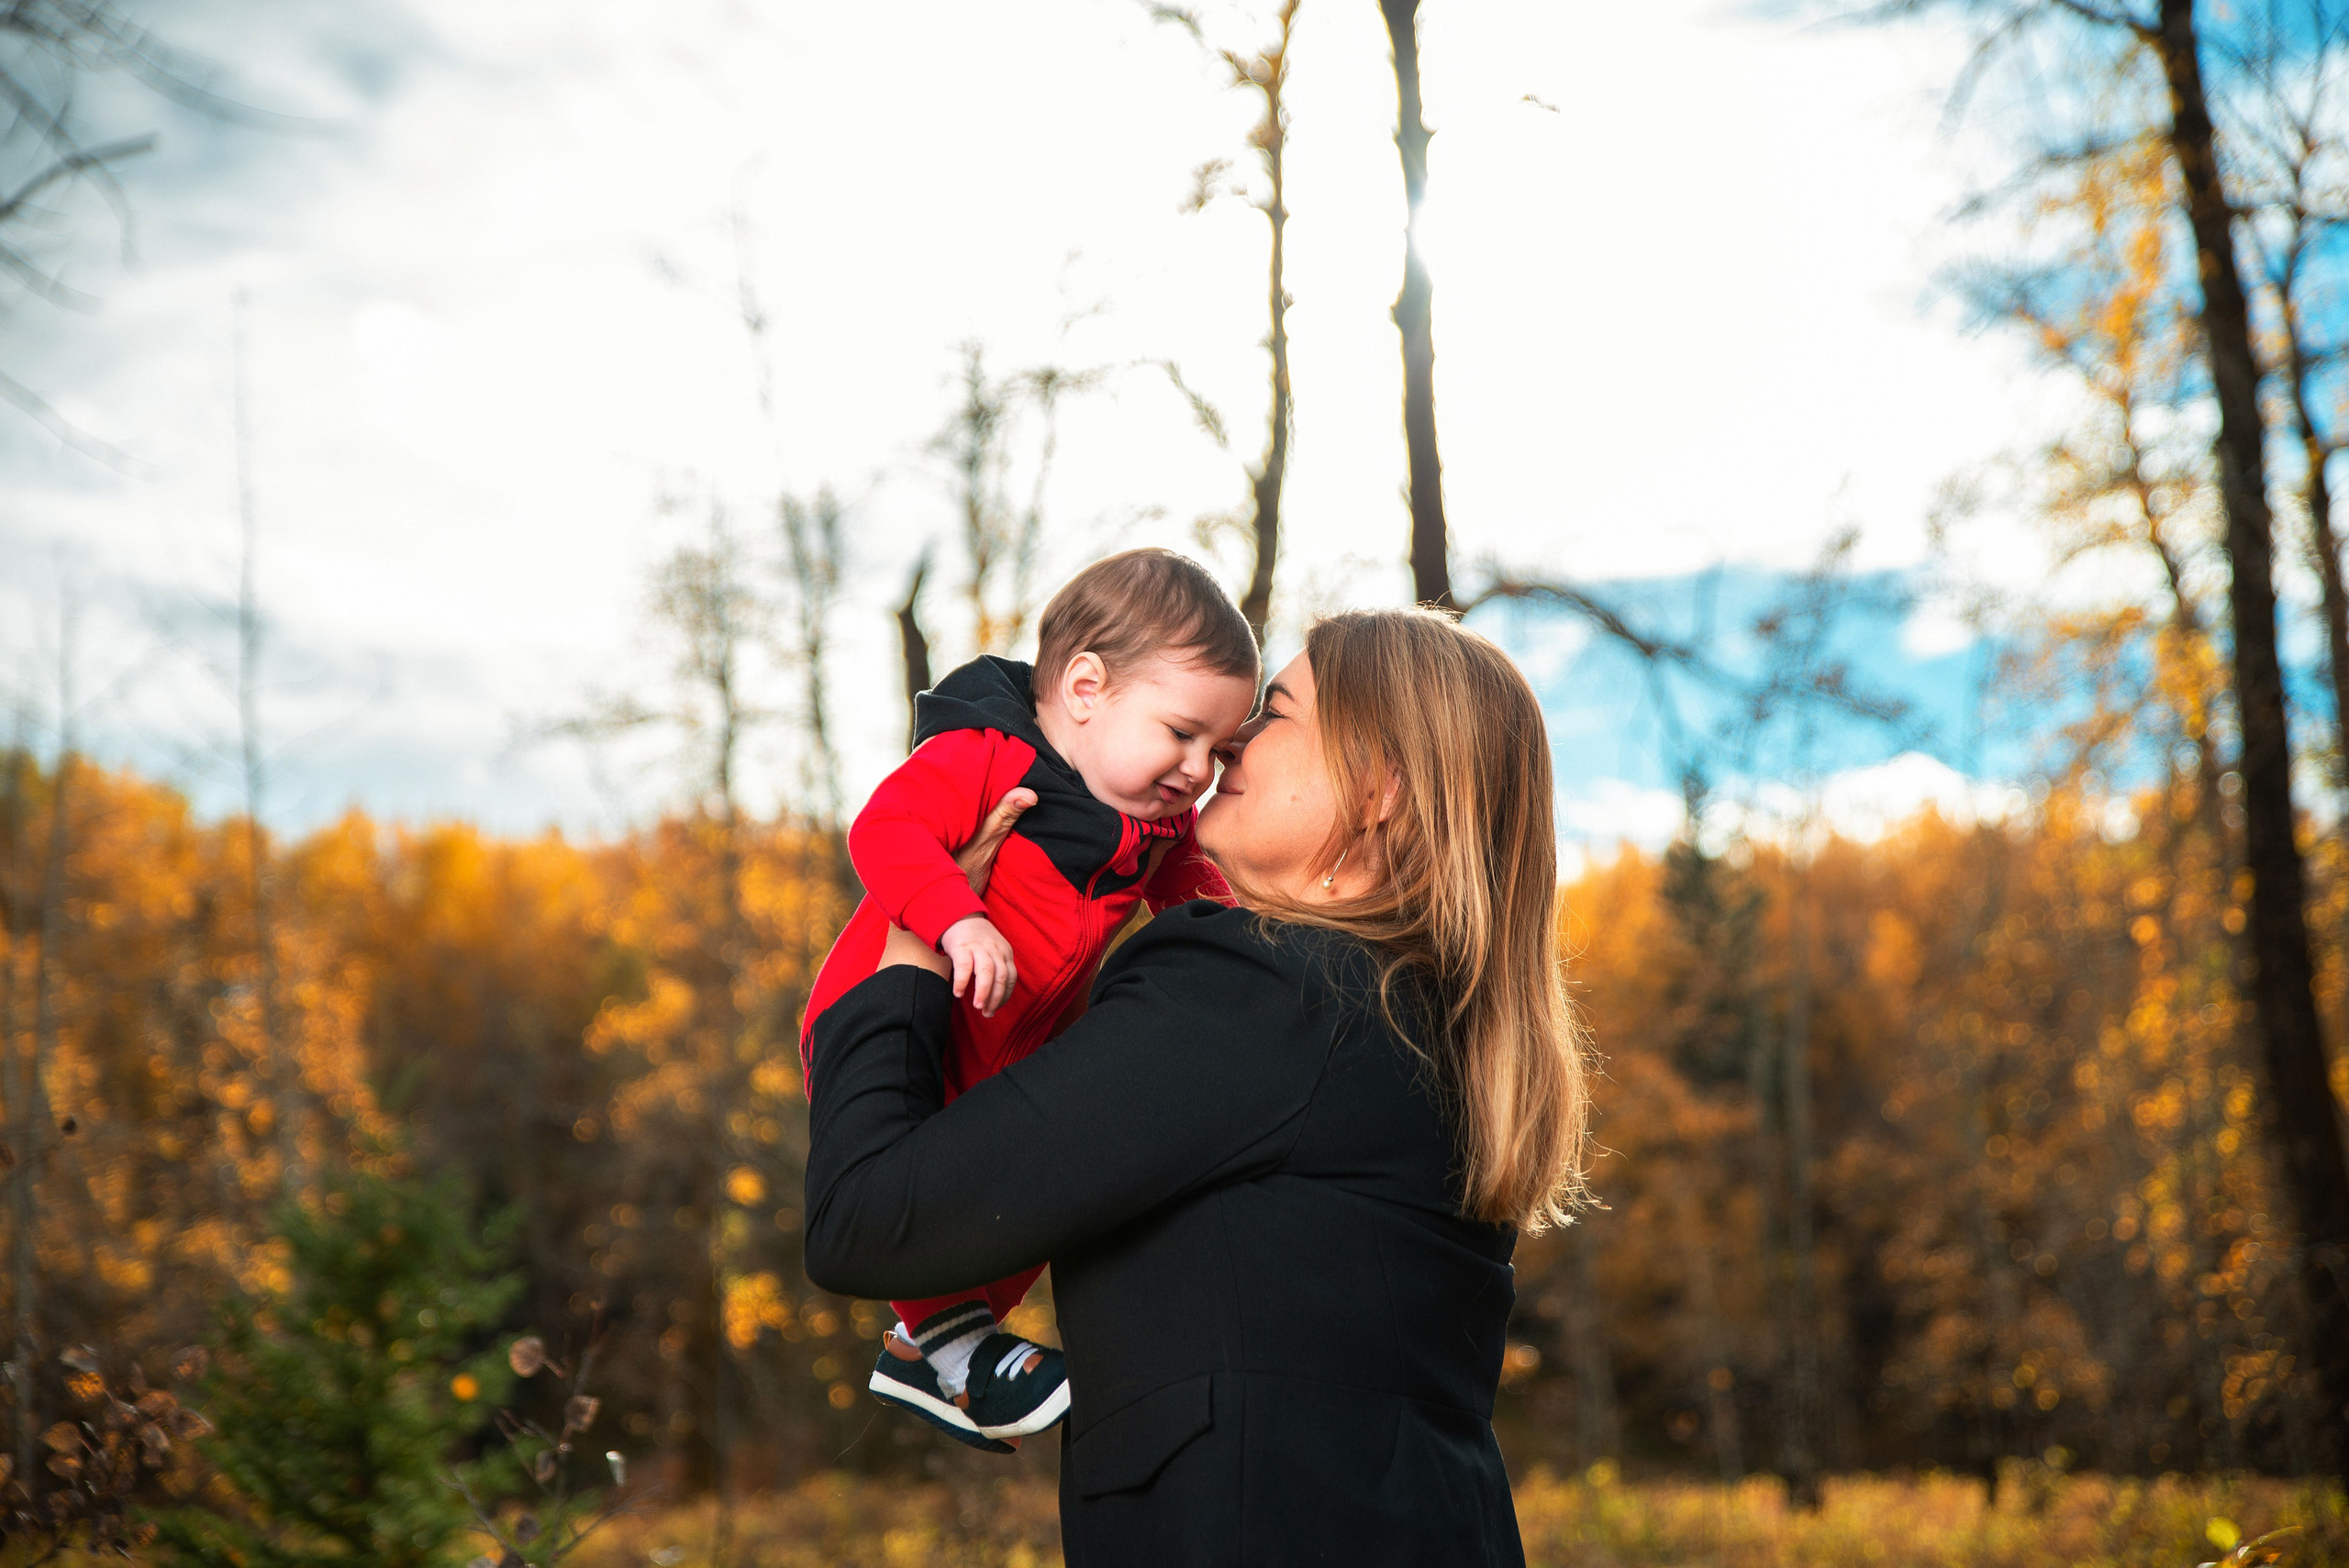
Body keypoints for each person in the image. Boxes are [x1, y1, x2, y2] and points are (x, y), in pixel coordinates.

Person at [805, 606, 1590, 1565]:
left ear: (1378, 785)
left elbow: (868, 1219)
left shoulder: (1264, 991)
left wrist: (912, 946)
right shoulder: (1414, 1011)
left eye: (1275, 712)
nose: (1232, 743)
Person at [796, 548, 1260, 1450]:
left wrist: (1231, 930)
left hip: (1015, 1031)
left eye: (1218, 748)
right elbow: (886, 828)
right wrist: (954, 918)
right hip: (906, 1010)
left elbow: (1185, 875)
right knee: (933, 1191)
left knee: (1038, 1191)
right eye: (1181, 733)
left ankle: (923, 1350)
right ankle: (953, 1348)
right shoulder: (986, 752)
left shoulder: (1149, 812)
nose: (1198, 768)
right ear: (1086, 687)